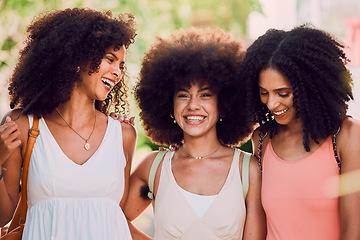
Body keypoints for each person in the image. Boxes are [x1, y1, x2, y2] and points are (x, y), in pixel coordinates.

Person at [0, 8, 137, 239]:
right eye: (110, 60)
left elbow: (116, 217)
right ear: (77, 57)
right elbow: (2, 216)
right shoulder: (23, 125)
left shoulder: (123, 134)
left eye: (121, 66)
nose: (117, 73)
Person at [122, 28, 266, 240]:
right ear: (168, 105)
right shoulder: (154, 167)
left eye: (205, 95)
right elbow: (113, 217)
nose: (193, 105)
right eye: (183, 95)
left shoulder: (247, 169)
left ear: (224, 102)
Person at [239, 25, 360, 240]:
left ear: (311, 87)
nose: (272, 103)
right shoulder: (262, 139)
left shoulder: (347, 137)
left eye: (283, 93)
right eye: (264, 93)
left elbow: (352, 230)